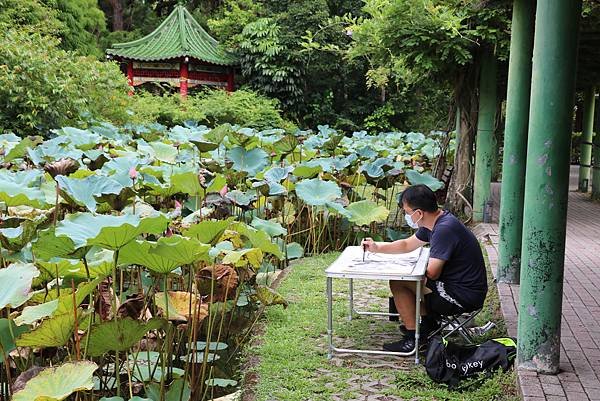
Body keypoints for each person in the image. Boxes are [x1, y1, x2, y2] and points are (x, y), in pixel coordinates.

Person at [362, 184, 488, 353]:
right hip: (458, 288)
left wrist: (409, 270)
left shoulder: (444, 229)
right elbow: (407, 244)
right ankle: (427, 326)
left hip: (464, 296)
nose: (407, 216)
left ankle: (414, 339)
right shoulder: (436, 222)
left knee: (400, 283)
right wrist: (377, 247)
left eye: (407, 212)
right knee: (405, 280)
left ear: (419, 213)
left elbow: (432, 272)